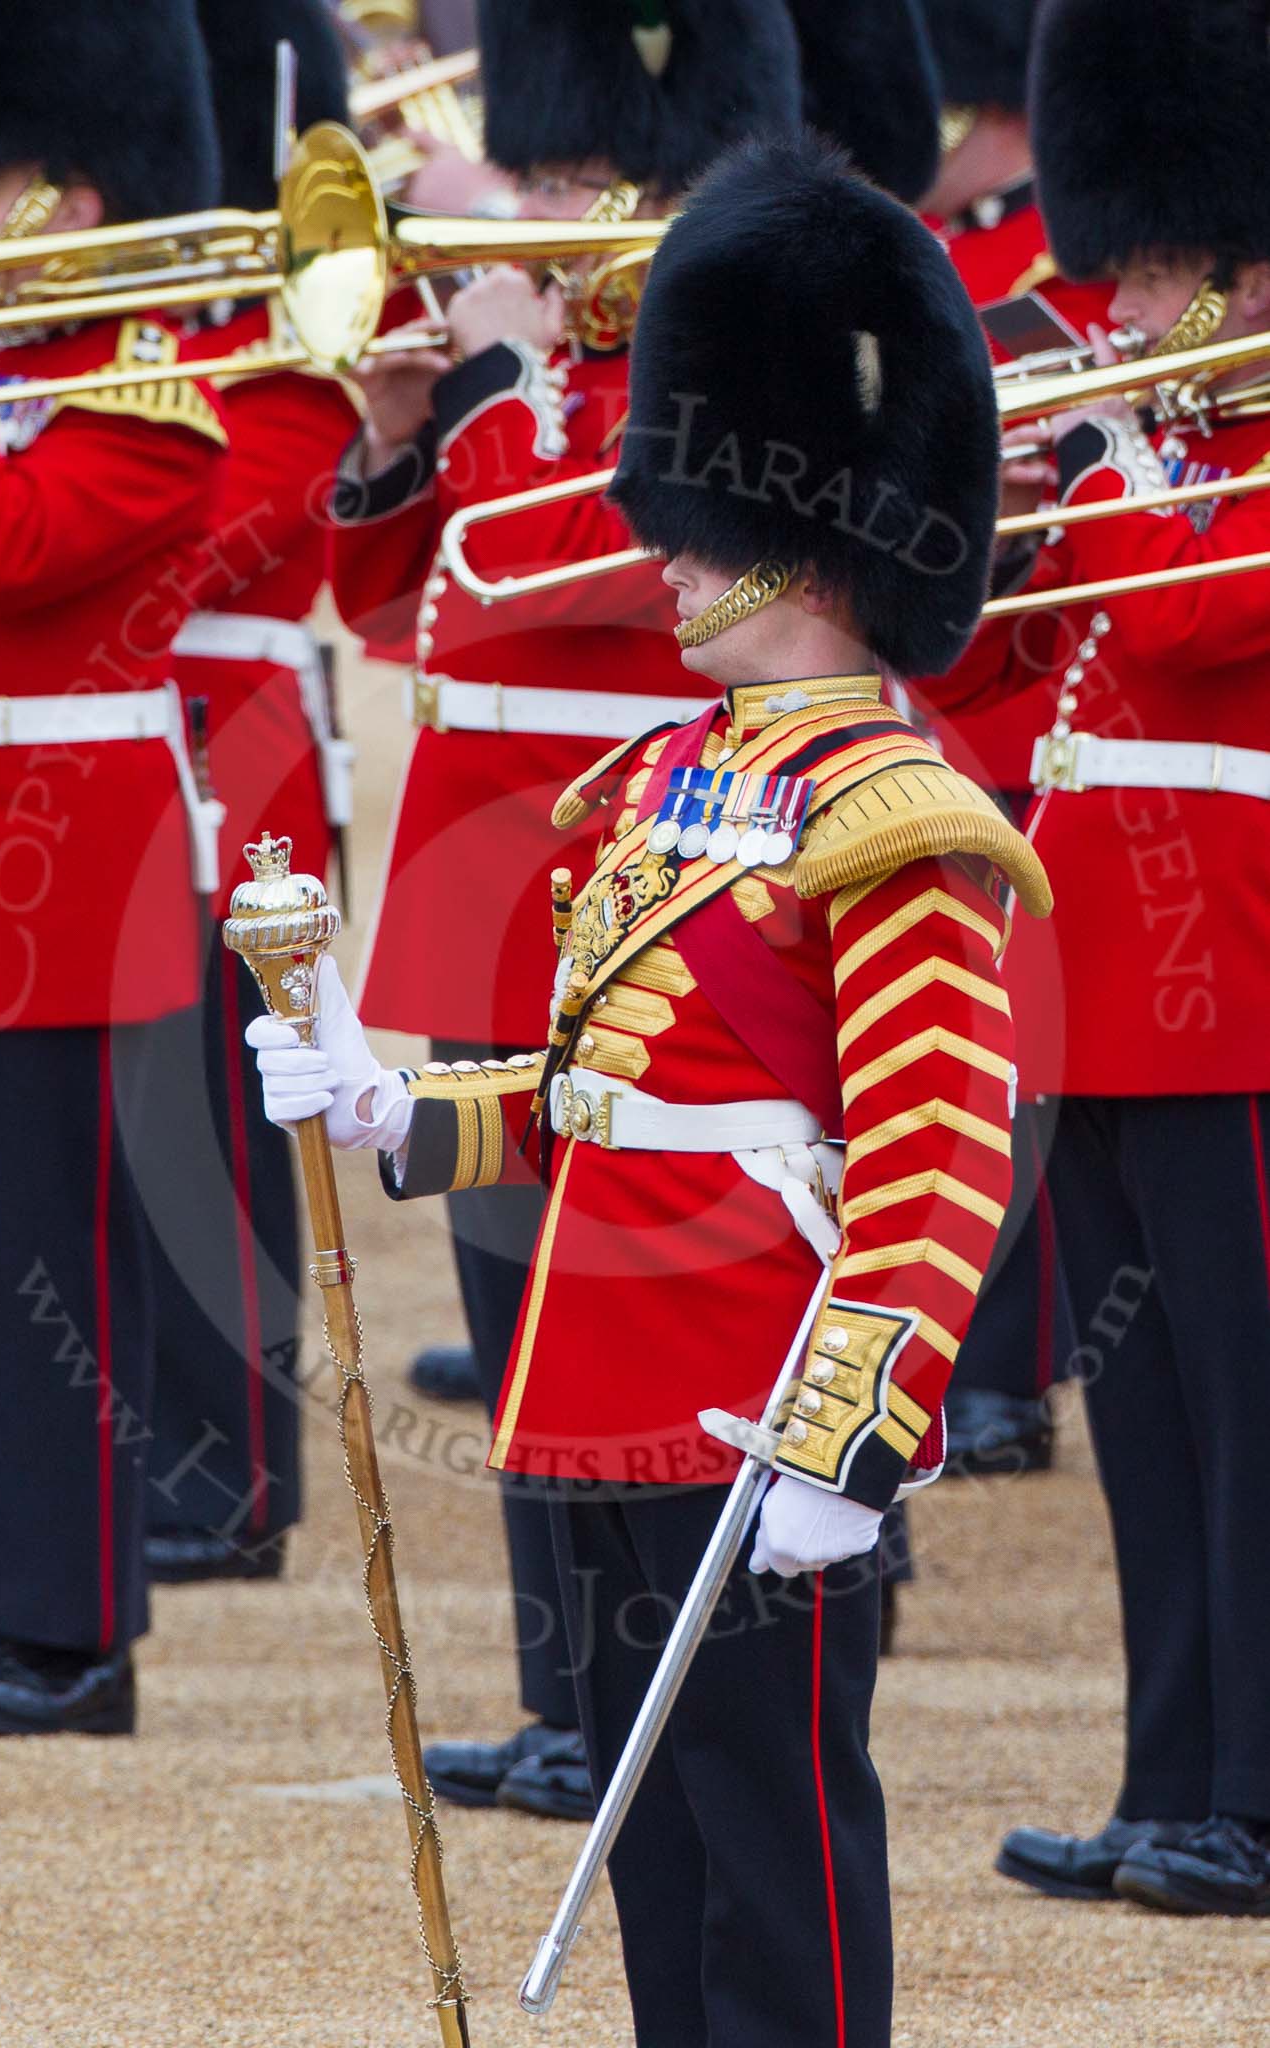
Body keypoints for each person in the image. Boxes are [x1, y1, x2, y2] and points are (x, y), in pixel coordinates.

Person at [249, 128, 1051, 2045]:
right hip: (601, 1390)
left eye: (696, 517)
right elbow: (586, 1092)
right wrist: (381, 1102)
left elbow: (934, 1164)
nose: (666, 546)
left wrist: (846, 1445)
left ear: (803, 534)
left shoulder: (896, 817)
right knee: (660, 1852)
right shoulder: (654, 786)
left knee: (774, 1860)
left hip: (754, 1393)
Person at [329, 0, 804, 1822]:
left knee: (619, 1327)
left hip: (636, 905)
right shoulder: (542, 382)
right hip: (490, 904)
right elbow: (404, 612)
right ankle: (562, 1701)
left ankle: (633, 1690)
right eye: (534, 172)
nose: (535, 210)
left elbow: (533, 566)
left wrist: (499, 385)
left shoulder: (711, 382)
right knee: (520, 1325)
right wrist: (392, 434)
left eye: (574, 177)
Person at [927, 0, 1270, 1914]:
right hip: (1106, 979)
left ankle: (1263, 1793)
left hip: (1239, 977)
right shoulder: (1144, 441)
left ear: (1242, 263)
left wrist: (1111, 455)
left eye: (1152, 272)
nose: (1118, 304)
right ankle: (1174, 1781)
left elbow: (1212, 619)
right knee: (1147, 1420)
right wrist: (996, 526)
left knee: (1247, 1404)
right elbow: (982, 674)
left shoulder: (1209, 449)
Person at [0, 0, 227, 1734]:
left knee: (49, 1266)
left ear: (78, 197)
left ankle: (74, 1630)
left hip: (51, 879)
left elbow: (11, 550)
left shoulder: (151, 392)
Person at [136, 0, 363, 1587]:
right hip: (132, 740)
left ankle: (228, 1467)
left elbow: (201, 545)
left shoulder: (298, 344)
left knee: (221, 1113)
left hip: (240, 749)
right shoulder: (140, 342)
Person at [914, 0, 1110, 1476]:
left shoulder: (1049, 278)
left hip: (1078, 744)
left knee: (1020, 1053)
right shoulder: (926, 260)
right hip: (949, 695)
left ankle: (1007, 1362)